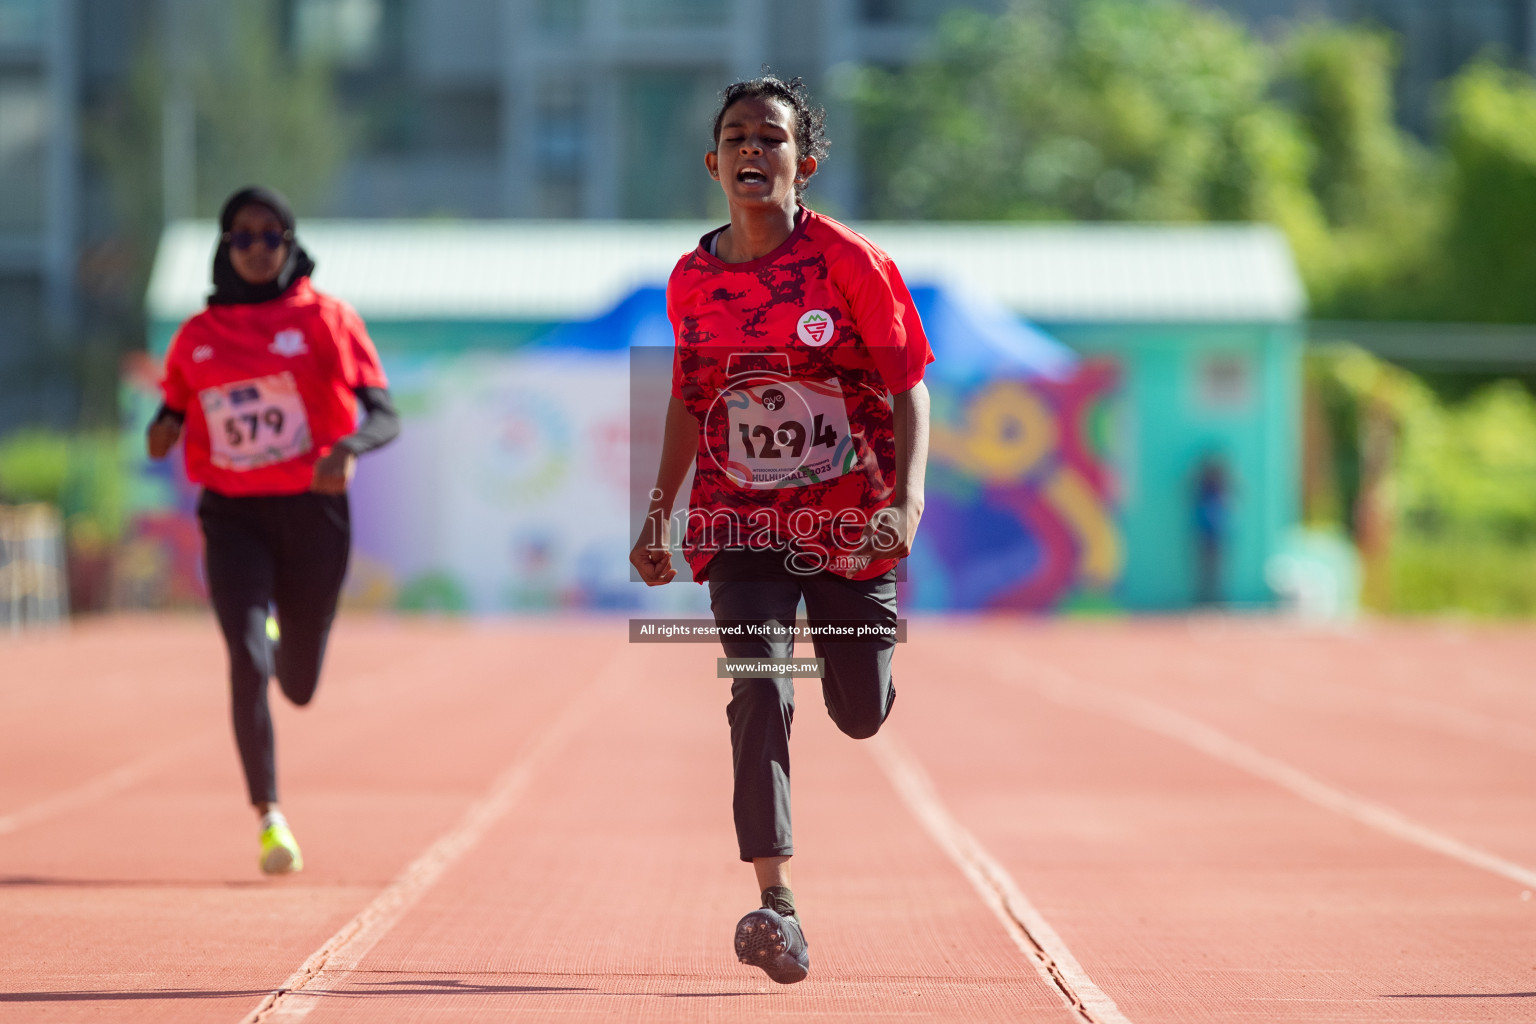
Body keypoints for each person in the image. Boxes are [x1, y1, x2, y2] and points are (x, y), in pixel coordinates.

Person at [629, 75, 932, 984]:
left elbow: (907, 384)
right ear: (713, 163)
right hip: (738, 520)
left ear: (805, 161)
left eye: (771, 137)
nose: (752, 151)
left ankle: (865, 680)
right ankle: (777, 901)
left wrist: (905, 503)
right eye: (736, 138)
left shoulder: (848, 262)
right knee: (758, 683)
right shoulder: (690, 278)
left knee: (858, 712)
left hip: (848, 524)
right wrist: (659, 510)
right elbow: (689, 396)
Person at [147, 186, 399, 875]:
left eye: (271, 236)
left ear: (290, 244)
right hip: (233, 514)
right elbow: (172, 404)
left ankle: (288, 634)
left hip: (313, 514)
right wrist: (163, 429)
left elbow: (384, 413)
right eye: (243, 237)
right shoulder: (197, 336)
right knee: (246, 660)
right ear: (225, 248)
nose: (257, 249)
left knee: (299, 686)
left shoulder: (327, 320)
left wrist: (346, 449)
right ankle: (269, 816)